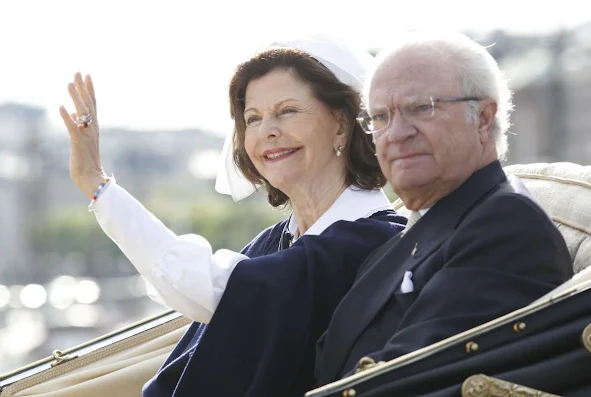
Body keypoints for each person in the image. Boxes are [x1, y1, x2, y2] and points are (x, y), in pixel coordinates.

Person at [59, 35, 407, 397]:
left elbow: (206, 289)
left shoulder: (373, 241)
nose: (266, 131)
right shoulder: (273, 242)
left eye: (287, 110)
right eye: (252, 118)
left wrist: (98, 186)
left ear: (341, 124)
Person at [314, 31, 574, 386]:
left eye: (421, 108)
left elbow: (404, 381)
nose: (396, 133)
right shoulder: (399, 242)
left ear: (483, 118)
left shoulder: (506, 225)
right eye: (380, 117)